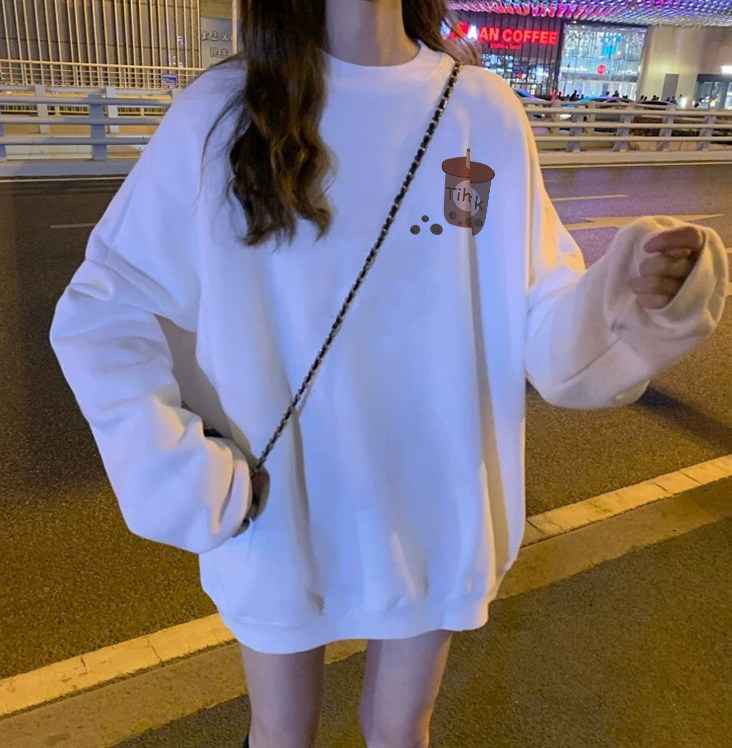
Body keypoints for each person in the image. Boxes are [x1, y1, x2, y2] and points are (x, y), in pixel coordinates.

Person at [48, 1, 728, 747]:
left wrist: (624, 297)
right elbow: (104, 307)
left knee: (401, 730)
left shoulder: (483, 112)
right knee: (282, 734)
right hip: (277, 509)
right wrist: (178, 475)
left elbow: (541, 320)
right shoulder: (226, 110)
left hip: (433, 510)